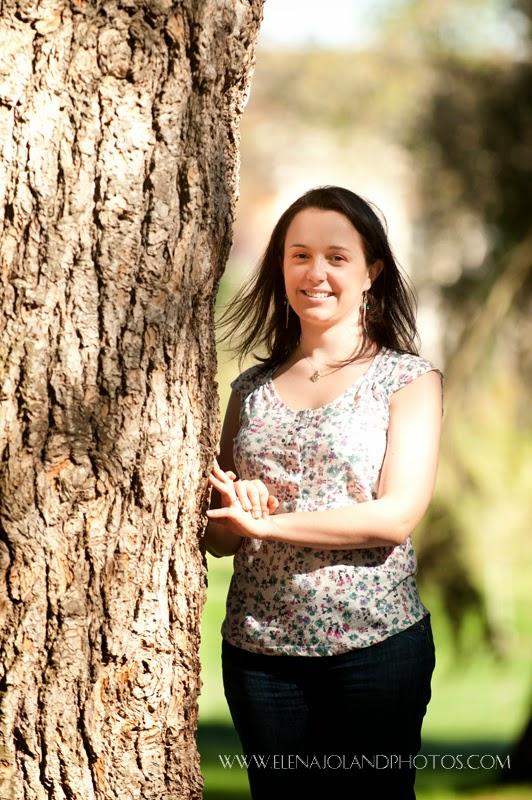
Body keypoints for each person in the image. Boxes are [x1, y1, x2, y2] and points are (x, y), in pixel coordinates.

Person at [203, 185, 444, 799]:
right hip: (261, 655)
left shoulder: (408, 381)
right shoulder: (249, 391)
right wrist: (237, 516)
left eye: (337, 257)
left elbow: (393, 517)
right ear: (280, 268)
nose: (316, 273)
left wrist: (270, 526)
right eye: (299, 255)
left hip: (373, 649)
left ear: (372, 273)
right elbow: (221, 538)